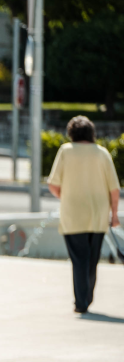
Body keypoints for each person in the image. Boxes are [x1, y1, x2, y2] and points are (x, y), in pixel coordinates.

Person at [47, 115, 121, 313]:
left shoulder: (66, 151)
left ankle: (81, 302)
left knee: (79, 259)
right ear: (91, 133)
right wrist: (114, 215)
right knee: (92, 259)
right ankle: (87, 297)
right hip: (98, 215)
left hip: (73, 214)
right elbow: (114, 189)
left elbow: (53, 184)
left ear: (71, 133)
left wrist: (65, 196)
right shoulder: (102, 153)